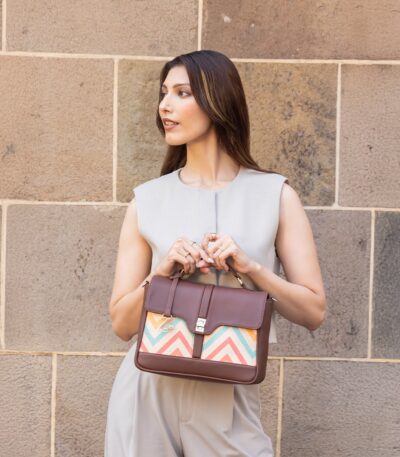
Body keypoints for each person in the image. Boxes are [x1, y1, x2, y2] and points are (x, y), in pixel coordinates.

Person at [104, 49, 326, 457]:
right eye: (163, 93)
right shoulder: (146, 201)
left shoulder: (276, 195)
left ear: (218, 100)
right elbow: (121, 323)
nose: (165, 105)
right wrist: (161, 274)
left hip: (230, 400)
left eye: (182, 93)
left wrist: (252, 268)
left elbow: (313, 311)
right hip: (148, 393)